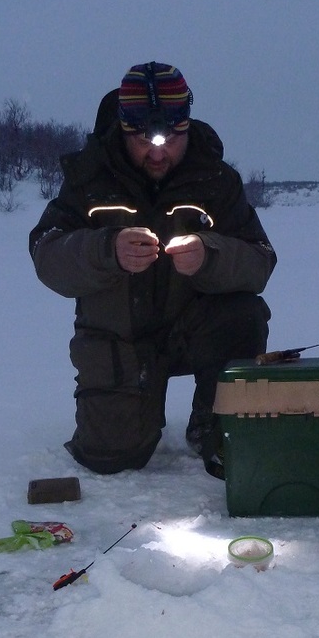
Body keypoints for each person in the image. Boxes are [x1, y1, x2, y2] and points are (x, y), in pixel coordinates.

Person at [29, 61, 276, 475]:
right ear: (124, 130)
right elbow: (47, 254)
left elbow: (259, 261)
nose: (157, 151)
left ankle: (215, 423)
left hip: (193, 329)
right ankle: (130, 413)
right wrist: (107, 250)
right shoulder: (90, 178)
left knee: (243, 314)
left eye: (171, 138)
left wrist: (208, 254)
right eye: (143, 139)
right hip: (118, 340)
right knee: (110, 458)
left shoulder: (216, 180)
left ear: (187, 125)